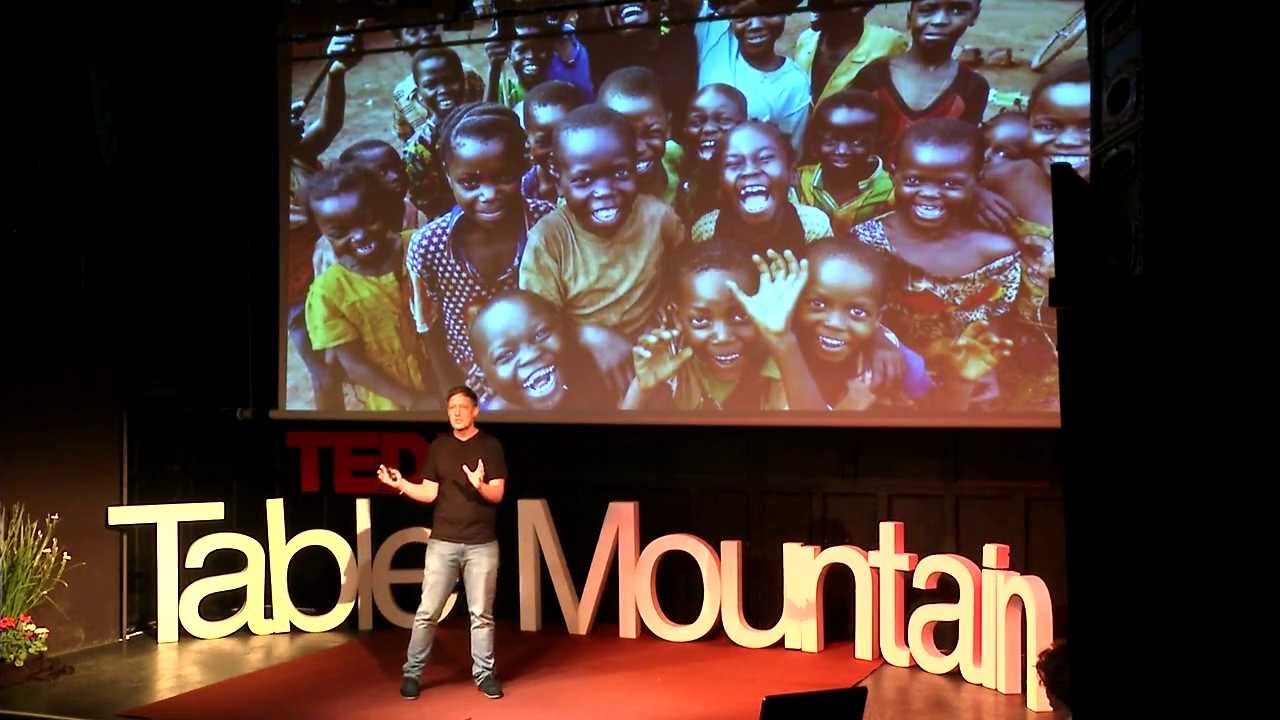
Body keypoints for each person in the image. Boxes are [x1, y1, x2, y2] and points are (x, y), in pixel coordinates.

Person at [378, 385, 508, 702]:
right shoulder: (439, 447)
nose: (457, 412)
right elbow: (430, 492)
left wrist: (479, 486)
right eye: (452, 407)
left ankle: (484, 674)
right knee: (427, 612)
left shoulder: (491, 447)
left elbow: (498, 494)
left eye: (463, 406)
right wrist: (402, 485)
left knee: (481, 615)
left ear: (475, 410)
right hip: (443, 543)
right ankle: (412, 674)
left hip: (482, 545)